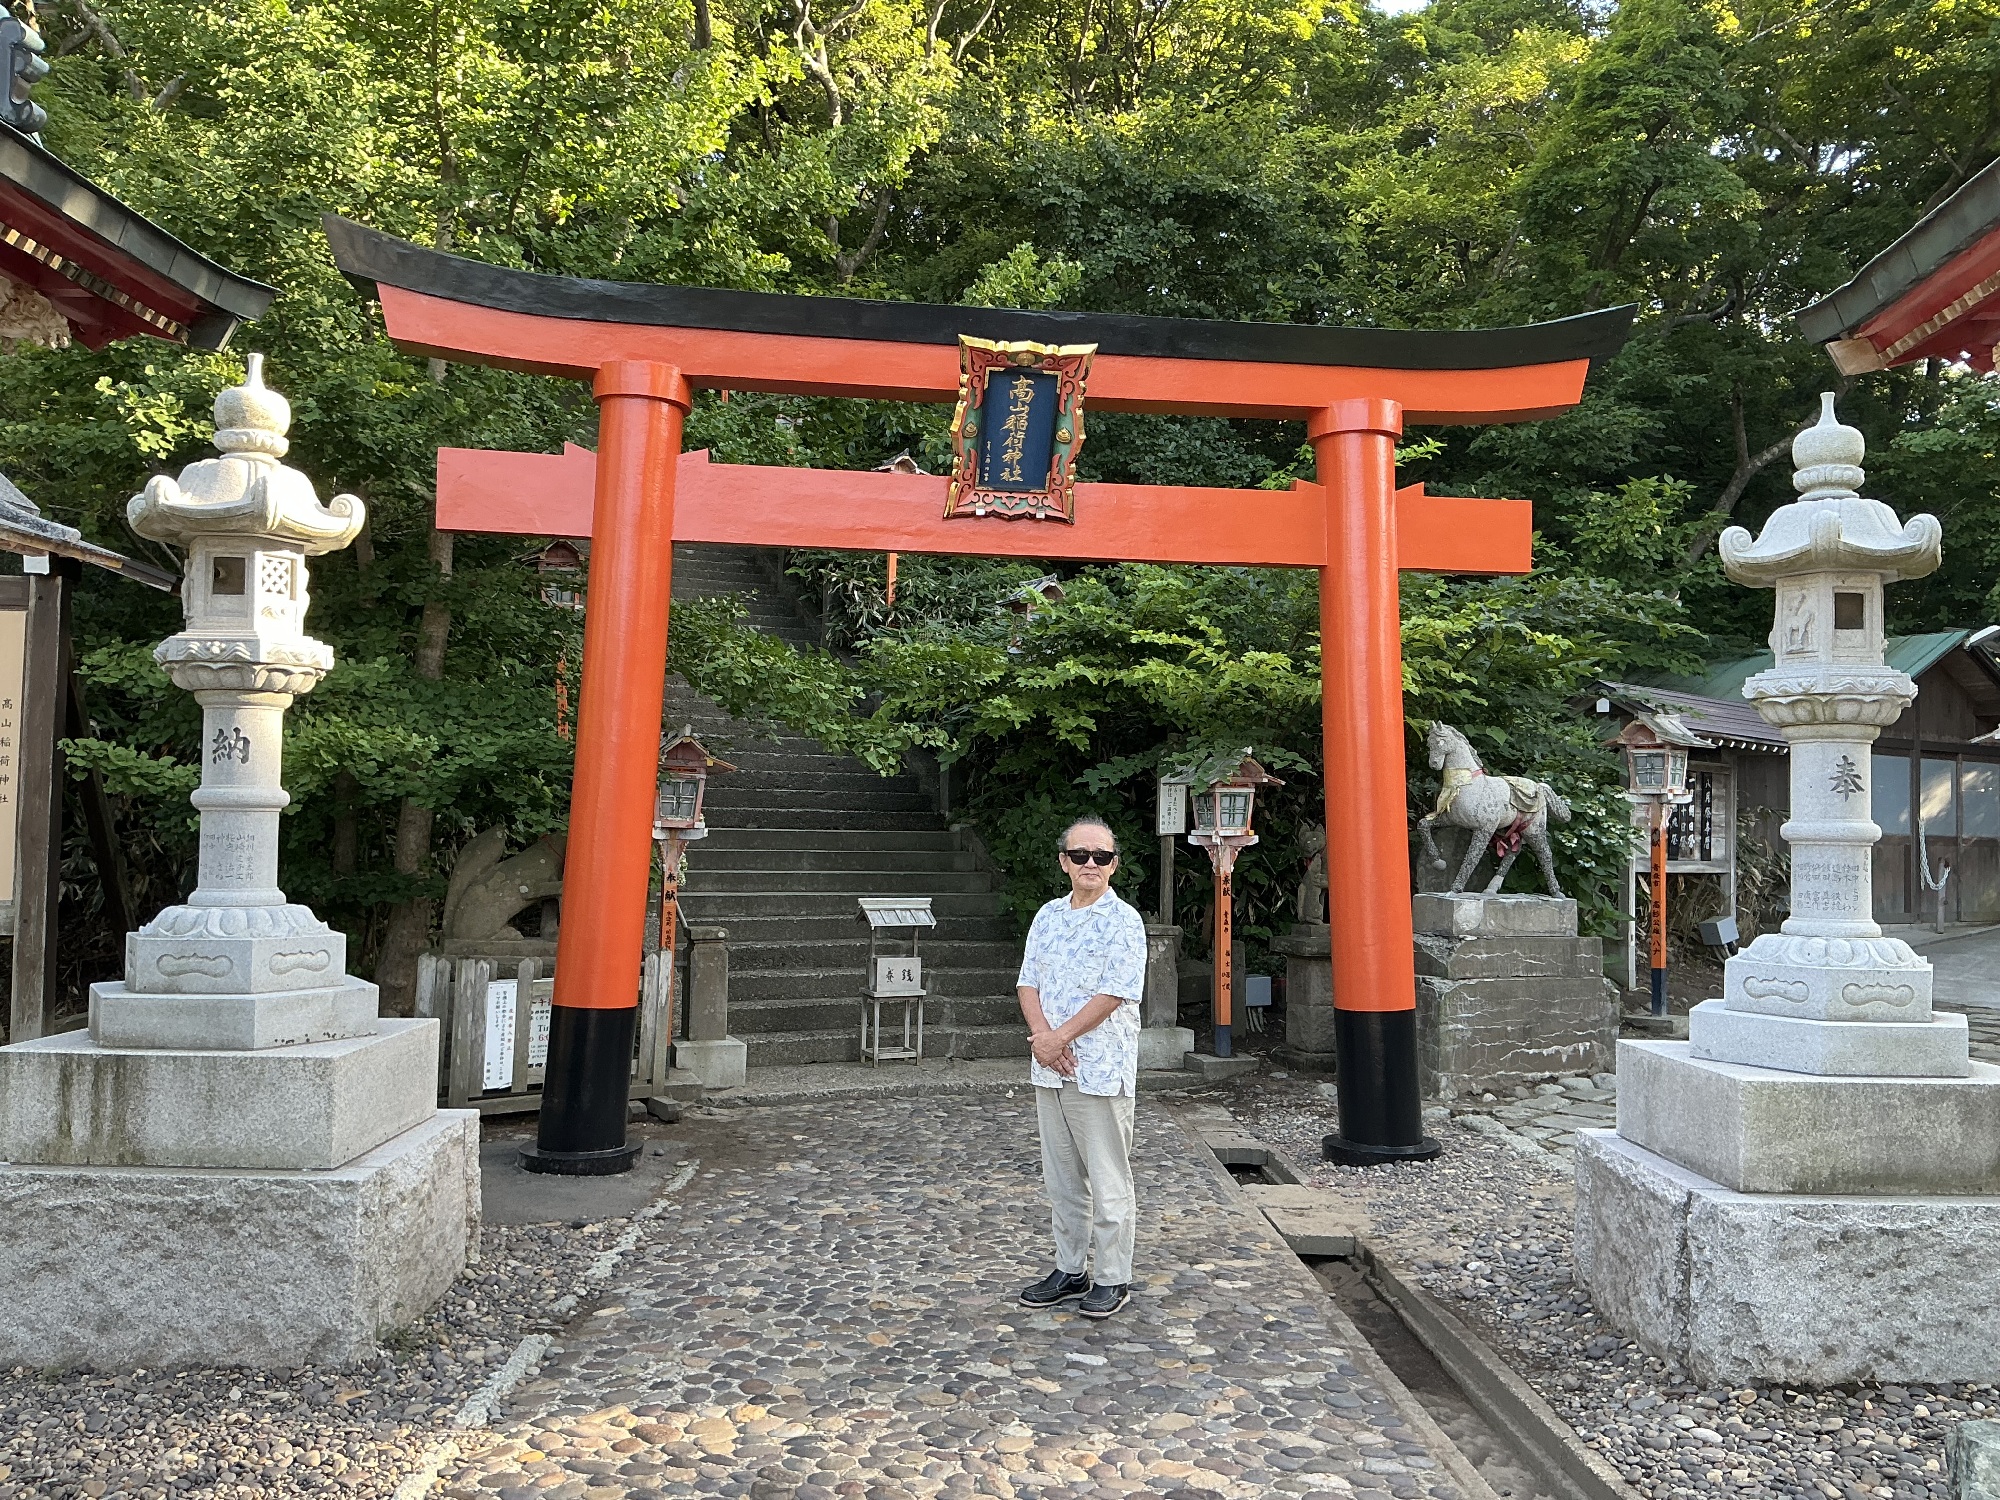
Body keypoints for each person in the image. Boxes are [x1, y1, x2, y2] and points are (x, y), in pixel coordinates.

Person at [1014, 815, 1148, 1319]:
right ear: (1063, 862)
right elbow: (1028, 981)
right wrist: (1042, 1040)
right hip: (1050, 1066)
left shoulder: (1124, 921)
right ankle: (1070, 1267)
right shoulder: (1048, 915)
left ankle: (1113, 1276)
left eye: (1102, 856)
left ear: (1114, 865)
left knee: (1109, 1176)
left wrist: (1059, 1037)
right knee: (1062, 1177)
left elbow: (1115, 991)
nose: (1091, 864)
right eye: (1080, 855)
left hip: (1099, 1066)